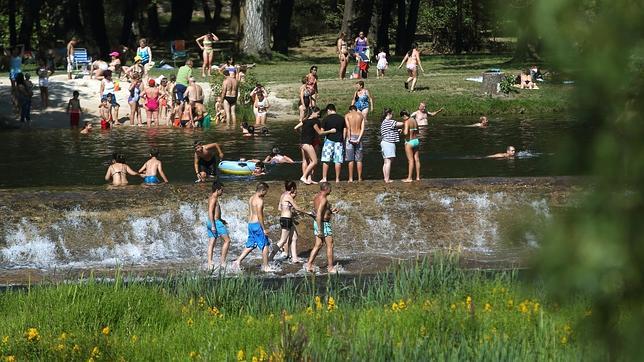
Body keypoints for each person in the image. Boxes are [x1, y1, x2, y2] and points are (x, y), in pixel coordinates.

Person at [232, 183, 274, 273]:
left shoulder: (251, 198)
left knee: (251, 245)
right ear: (262, 190)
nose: (266, 193)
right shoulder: (260, 201)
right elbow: (259, 215)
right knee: (265, 245)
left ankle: (237, 261)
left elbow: (250, 213)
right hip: (257, 224)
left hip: (250, 224)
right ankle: (266, 266)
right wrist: (264, 229)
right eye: (266, 191)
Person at [270, 181, 313, 263]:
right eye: (295, 188)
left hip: (286, 219)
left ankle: (294, 258)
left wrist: (288, 210)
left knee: (294, 237)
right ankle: (270, 257)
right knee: (282, 240)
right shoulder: (288, 196)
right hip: (286, 219)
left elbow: (279, 208)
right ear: (292, 188)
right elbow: (297, 207)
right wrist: (308, 213)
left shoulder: (283, 195)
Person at [295, 107, 336, 185]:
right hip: (307, 144)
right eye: (317, 113)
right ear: (312, 113)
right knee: (315, 161)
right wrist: (331, 131)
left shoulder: (305, 121)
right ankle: (304, 177)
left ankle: (309, 179)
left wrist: (301, 134)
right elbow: (320, 132)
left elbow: (296, 128)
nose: (318, 115)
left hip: (303, 143)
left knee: (310, 161)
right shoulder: (313, 122)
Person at [304, 182, 339, 273]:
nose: (331, 190)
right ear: (327, 189)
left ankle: (309, 265)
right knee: (330, 245)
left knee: (318, 244)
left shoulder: (317, 197)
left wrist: (330, 211)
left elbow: (319, 210)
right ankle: (330, 267)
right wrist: (320, 229)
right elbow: (319, 213)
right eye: (330, 189)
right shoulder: (323, 199)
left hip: (318, 222)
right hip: (323, 224)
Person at [206, 181, 232, 270]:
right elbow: (210, 211)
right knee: (227, 241)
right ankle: (223, 262)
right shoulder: (214, 198)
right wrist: (214, 225)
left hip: (210, 221)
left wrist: (222, 220)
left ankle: (210, 263)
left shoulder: (210, 197)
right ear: (217, 190)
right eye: (222, 190)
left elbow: (214, 213)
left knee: (211, 242)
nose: (222, 192)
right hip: (215, 223)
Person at [320, 104, 346, 183]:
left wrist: (329, 131)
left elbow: (321, 132)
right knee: (337, 160)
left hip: (329, 141)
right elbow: (345, 130)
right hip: (339, 141)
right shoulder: (342, 118)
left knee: (326, 160)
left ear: (328, 110)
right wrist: (343, 139)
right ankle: (337, 179)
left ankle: (324, 178)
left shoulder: (325, 119)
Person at [380, 108, 404, 183]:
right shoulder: (390, 121)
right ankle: (387, 179)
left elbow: (390, 131)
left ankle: (385, 178)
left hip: (384, 142)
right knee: (388, 161)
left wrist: (397, 131)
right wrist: (407, 120)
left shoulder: (384, 122)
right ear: (388, 114)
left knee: (386, 161)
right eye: (392, 113)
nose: (392, 115)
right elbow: (401, 124)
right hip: (389, 143)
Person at [344, 105, 365, 182]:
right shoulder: (361, 116)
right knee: (359, 160)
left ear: (350, 110)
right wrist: (359, 138)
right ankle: (359, 178)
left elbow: (348, 128)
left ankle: (350, 178)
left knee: (350, 159)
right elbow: (363, 128)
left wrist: (349, 138)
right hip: (358, 136)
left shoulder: (347, 115)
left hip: (351, 136)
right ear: (356, 110)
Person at [401, 110, 421, 182]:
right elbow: (418, 131)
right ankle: (418, 177)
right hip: (416, 141)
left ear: (404, 116)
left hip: (409, 142)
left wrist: (402, 130)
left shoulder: (407, 121)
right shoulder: (414, 120)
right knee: (417, 159)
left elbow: (406, 133)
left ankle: (409, 178)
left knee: (410, 160)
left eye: (402, 117)